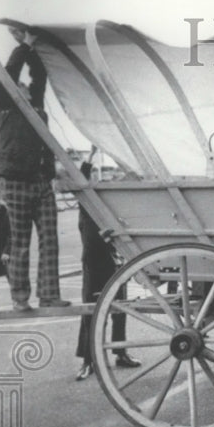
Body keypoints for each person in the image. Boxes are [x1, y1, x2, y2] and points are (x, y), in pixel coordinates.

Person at [0, 27, 70, 311]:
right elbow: (9, 75)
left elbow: (39, 77)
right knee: (20, 243)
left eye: (25, 88)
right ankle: (20, 298)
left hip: (40, 182)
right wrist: (23, 46)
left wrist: (34, 49)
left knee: (50, 241)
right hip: (15, 181)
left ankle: (49, 294)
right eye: (18, 87)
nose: (23, 88)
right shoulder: (4, 108)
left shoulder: (35, 108)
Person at [75, 155, 140, 380]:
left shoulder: (109, 213)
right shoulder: (86, 209)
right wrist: (89, 159)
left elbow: (127, 181)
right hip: (93, 267)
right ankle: (87, 360)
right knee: (90, 314)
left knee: (120, 311)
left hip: (113, 265)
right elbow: (81, 180)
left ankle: (120, 352)